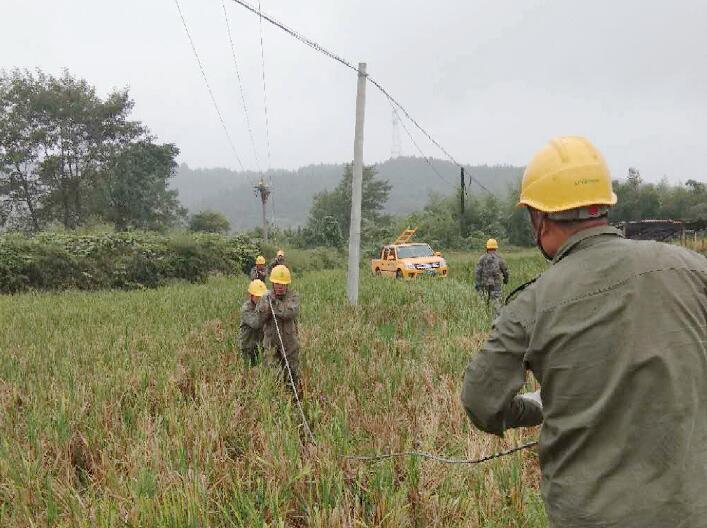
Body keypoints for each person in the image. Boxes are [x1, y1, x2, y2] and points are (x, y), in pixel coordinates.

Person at [460, 136, 707, 528]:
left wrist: (536, 407)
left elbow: (481, 401)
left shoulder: (533, 303)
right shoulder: (694, 270)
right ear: (604, 207)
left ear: (539, 219)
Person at [257, 265, 301, 392]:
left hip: (290, 344)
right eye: (277, 284)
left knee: (291, 374)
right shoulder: (266, 296)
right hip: (271, 343)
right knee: (272, 375)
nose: (280, 287)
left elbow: (288, 313)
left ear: (287, 285)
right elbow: (260, 318)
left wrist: (274, 303)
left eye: (283, 284)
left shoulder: (293, 297)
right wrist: (265, 307)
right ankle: (275, 401)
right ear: (272, 283)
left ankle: (292, 399)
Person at [474, 238, 509, 312]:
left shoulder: (482, 258)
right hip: (496, 286)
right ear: (496, 248)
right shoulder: (499, 258)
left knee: (484, 303)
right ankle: (496, 319)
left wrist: (478, 286)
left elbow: (477, 272)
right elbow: (505, 271)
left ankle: (485, 316)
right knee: (496, 304)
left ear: (487, 248)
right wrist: (506, 280)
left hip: (484, 284)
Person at [239, 279, 267, 366]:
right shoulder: (246, 309)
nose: (260, 299)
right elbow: (256, 324)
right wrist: (266, 311)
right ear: (251, 296)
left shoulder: (264, 306)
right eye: (257, 297)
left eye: (261, 297)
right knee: (248, 372)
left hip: (260, 346)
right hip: (248, 347)